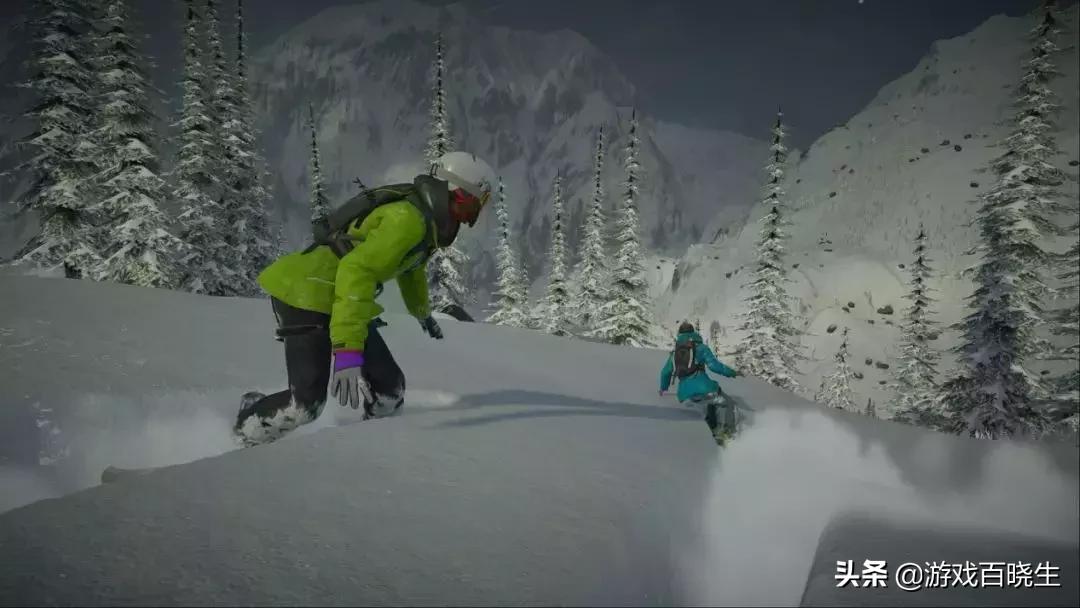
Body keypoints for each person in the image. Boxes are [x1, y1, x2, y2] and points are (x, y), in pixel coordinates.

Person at [233, 151, 497, 447]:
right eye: (477, 202)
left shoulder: (426, 223)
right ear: (457, 193)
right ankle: (245, 431)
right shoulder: (407, 221)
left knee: (390, 391)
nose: (476, 213)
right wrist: (347, 350)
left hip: (343, 300)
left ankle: (368, 452)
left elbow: (411, 271)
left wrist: (423, 314)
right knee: (305, 406)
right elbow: (355, 270)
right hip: (305, 295)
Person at [659, 321, 741, 443]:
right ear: (693, 332)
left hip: (684, 394)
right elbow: (714, 366)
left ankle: (708, 434)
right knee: (722, 402)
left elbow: (665, 372)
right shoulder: (701, 348)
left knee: (705, 407)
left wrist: (663, 388)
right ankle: (722, 433)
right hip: (704, 388)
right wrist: (731, 372)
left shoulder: (675, 353)